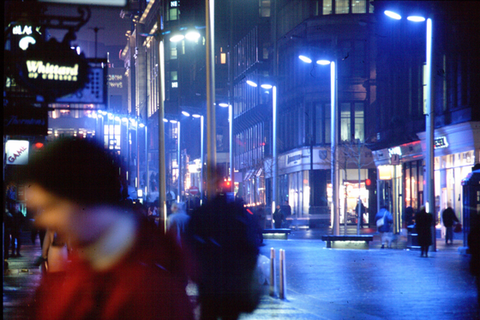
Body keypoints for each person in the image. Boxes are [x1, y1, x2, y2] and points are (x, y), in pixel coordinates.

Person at [25, 138, 193, 320]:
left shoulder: (152, 292)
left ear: (84, 199)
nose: (41, 220)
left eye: (51, 206)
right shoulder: (86, 269)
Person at [185, 167, 261, 320]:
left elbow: (190, 247)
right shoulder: (236, 213)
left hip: (209, 284)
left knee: (208, 313)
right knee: (230, 314)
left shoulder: (201, 214)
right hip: (233, 283)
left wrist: (196, 274)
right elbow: (251, 246)